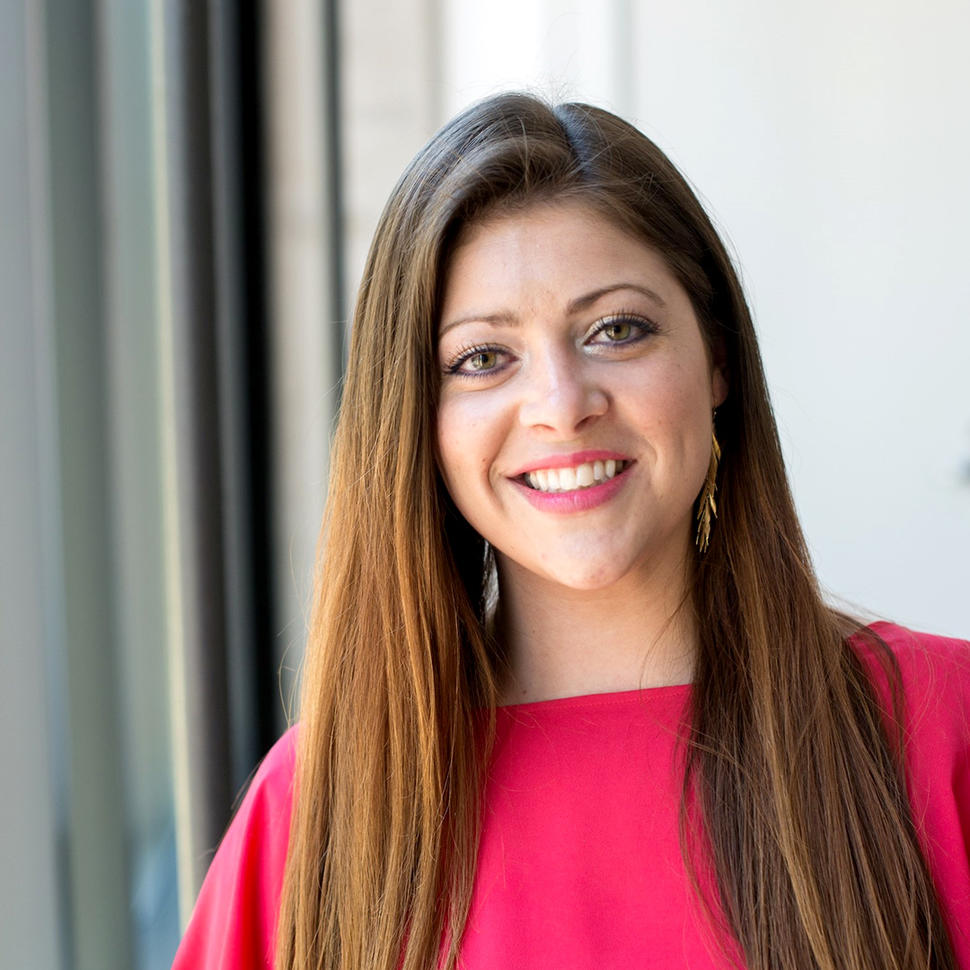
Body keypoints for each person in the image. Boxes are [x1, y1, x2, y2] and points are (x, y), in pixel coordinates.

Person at [173, 93, 970, 970]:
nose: (561, 406)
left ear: (716, 360)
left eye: (615, 330)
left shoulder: (942, 728)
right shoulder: (320, 807)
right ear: (414, 421)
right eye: (483, 358)